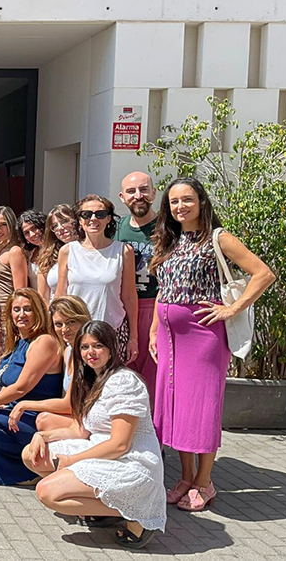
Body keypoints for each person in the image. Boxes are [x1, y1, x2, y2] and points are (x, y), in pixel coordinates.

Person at [149, 177, 274, 511]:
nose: (180, 207)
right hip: (169, 337)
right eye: (174, 202)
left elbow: (263, 273)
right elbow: (165, 289)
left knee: (201, 408)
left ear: (201, 202)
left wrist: (233, 308)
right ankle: (186, 477)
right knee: (176, 408)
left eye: (187, 199)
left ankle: (205, 482)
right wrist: (152, 331)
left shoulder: (218, 238)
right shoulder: (171, 240)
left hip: (202, 337)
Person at [24, 322, 166, 549]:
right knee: (31, 454)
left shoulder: (125, 382)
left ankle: (140, 514)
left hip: (131, 462)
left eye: (98, 346)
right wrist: (42, 435)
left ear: (111, 348)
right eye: (84, 347)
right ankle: (104, 509)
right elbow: (79, 431)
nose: (90, 352)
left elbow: (120, 445)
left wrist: (71, 461)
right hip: (101, 450)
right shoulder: (90, 378)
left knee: (47, 492)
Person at [0, 288, 64, 486]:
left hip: (35, 413)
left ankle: (25, 472)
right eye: (16, 309)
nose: (21, 314)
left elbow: (21, 387)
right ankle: (1, 467)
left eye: (27, 309)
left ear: (38, 312)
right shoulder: (17, 343)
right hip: (14, 409)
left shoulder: (44, 341)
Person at [56, 195, 138, 362]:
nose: (93, 219)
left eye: (100, 214)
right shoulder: (67, 251)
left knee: (110, 385)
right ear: (79, 220)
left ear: (108, 218)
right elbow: (60, 297)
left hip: (112, 332)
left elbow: (129, 296)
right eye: (86, 214)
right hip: (77, 334)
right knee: (77, 385)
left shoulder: (123, 251)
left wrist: (133, 338)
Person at [7, 296, 92, 433]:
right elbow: (64, 399)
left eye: (71, 322)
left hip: (89, 420)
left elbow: (68, 405)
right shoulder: (68, 352)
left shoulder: (88, 354)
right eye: (59, 324)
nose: (65, 329)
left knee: (44, 420)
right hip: (74, 417)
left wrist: (24, 405)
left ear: (83, 320)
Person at [116, 171, 159, 402]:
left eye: (143, 190)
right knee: (125, 377)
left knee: (155, 378)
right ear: (122, 197)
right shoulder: (115, 229)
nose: (138, 196)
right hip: (123, 309)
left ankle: (156, 434)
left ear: (153, 193)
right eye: (131, 191)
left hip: (157, 307)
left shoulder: (167, 227)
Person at [0, 206, 29, 306]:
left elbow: (20, 292)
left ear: (11, 226)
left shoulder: (15, 252)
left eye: (4, 224)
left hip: (7, 313)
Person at [36, 204, 78, 304]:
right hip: (56, 313)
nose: (60, 228)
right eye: (54, 226)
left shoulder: (90, 251)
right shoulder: (48, 257)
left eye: (64, 221)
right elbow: (43, 298)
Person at [18, 209, 47, 286]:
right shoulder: (29, 254)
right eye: (26, 233)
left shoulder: (58, 250)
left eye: (34, 228)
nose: (32, 234)